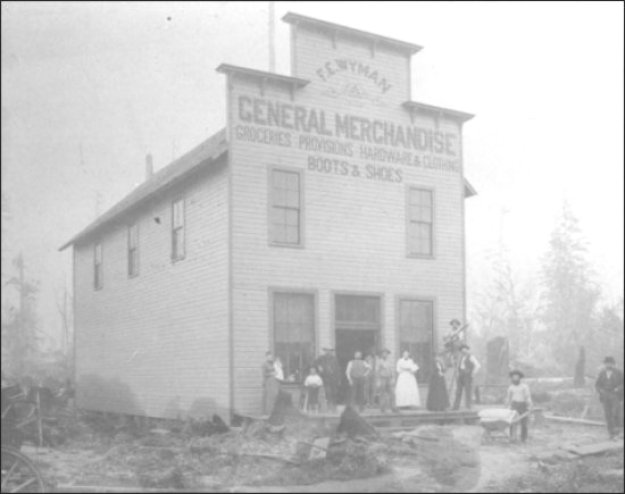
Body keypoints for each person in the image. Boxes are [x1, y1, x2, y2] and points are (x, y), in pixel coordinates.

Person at [595, 356, 624, 440]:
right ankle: (611, 433)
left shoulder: (619, 372)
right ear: (604, 364)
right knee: (608, 415)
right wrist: (601, 391)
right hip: (605, 396)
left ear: (613, 364)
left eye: (610, 363)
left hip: (615, 396)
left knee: (616, 414)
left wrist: (618, 389)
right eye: (607, 363)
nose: (609, 365)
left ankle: (618, 433)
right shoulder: (602, 373)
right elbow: (597, 385)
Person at [505, 370, 532, 442]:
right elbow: (508, 398)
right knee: (512, 422)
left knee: (524, 423)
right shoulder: (511, 387)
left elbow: (527, 396)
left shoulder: (524, 387)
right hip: (514, 405)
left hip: (523, 405)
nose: (515, 379)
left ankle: (524, 438)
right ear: (512, 378)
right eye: (513, 377)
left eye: (517, 377)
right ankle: (512, 437)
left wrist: (529, 405)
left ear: (520, 378)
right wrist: (507, 405)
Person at [452, 344, 481, 410]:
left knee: (468, 391)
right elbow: (458, 366)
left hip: (467, 376)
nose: (463, 350)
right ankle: (456, 407)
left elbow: (478, 365)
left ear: (467, 349)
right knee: (458, 391)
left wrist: (473, 373)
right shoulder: (461, 357)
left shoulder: (471, 357)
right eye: (462, 349)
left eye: (464, 349)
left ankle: (468, 406)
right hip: (461, 375)